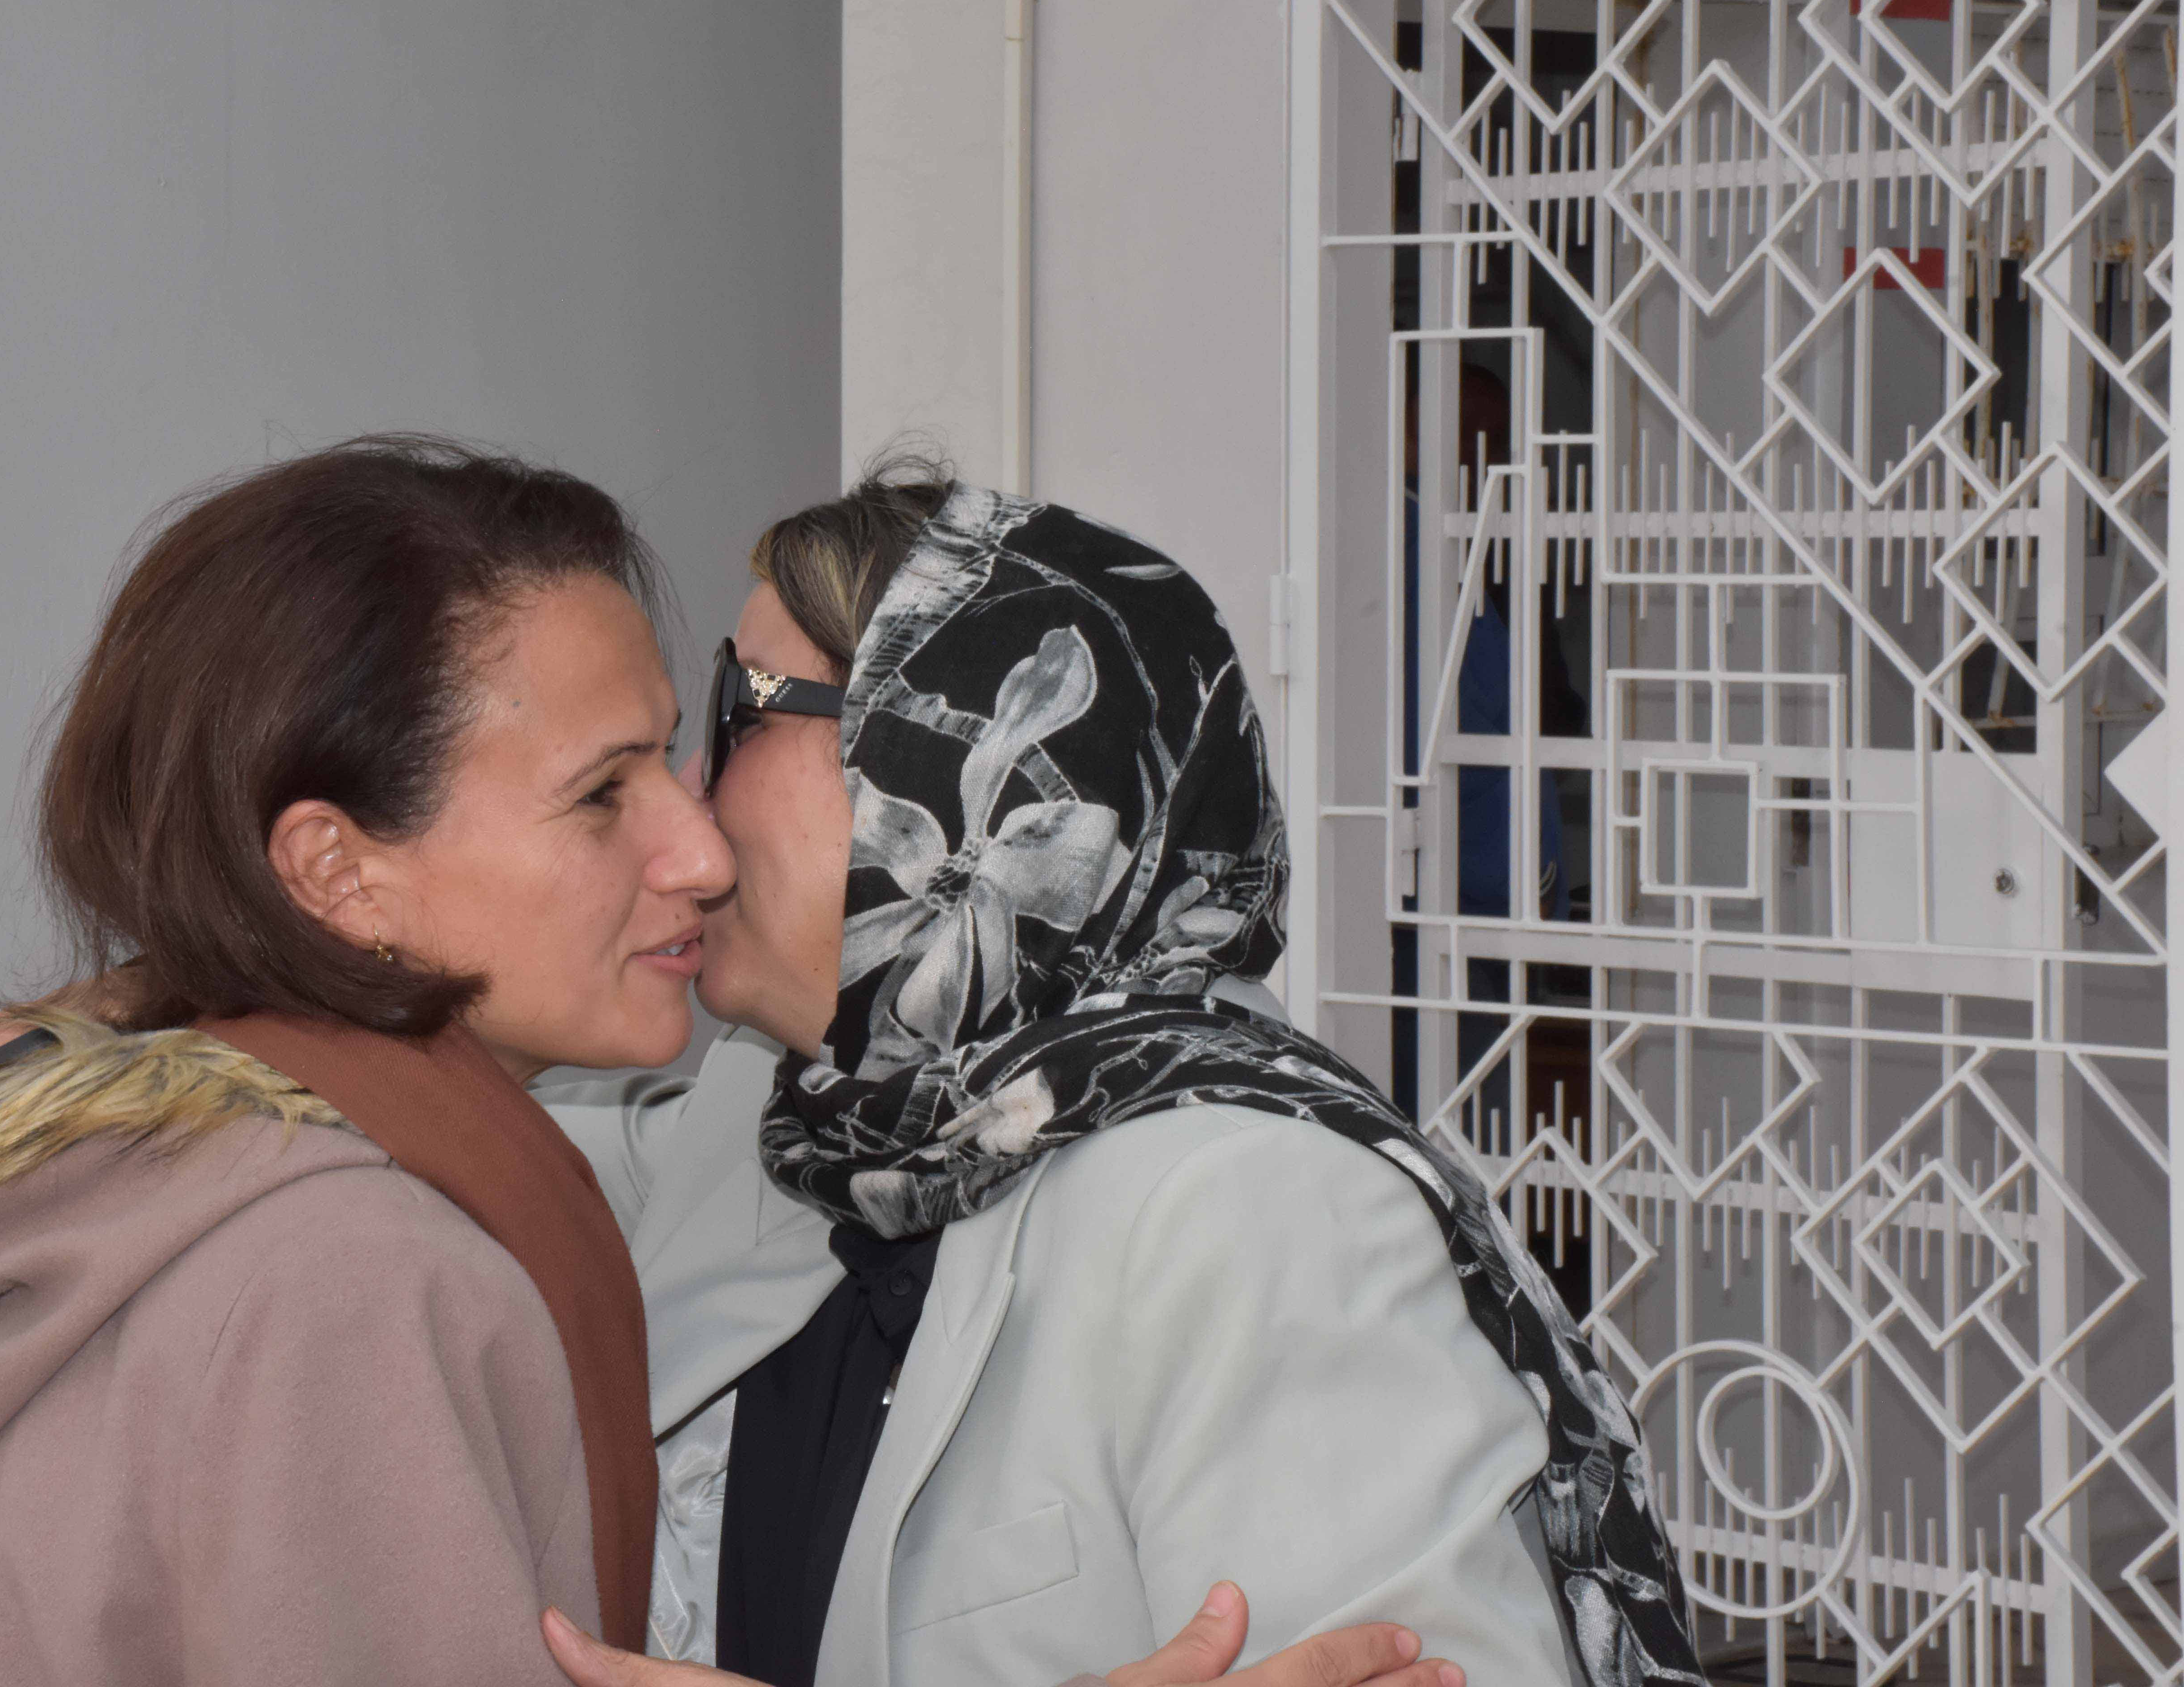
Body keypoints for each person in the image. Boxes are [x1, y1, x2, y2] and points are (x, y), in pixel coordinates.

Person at [0, 436, 1457, 1687]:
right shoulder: (737, 1141)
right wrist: (138, 1007)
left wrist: (142, 1016)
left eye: (731, 730)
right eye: (614, 784)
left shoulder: (1254, 1206)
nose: (695, 839)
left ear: (995, 785)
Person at [530, 463, 1707, 1687]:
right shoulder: (794, 1117)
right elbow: (457, 1135)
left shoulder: (1252, 1209)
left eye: (742, 707)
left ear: (948, 747)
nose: (688, 802)